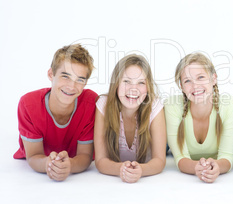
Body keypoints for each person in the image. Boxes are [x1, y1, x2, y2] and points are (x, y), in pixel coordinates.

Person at [14, 44, 97, 181]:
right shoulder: (28, 105)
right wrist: (48, 164)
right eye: (65, 76)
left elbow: (85, 156)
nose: (71, 86)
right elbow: (34, 156)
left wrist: (70, 165)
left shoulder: (90, 103)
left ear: (85, 83)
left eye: (79, 80)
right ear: (51, 74)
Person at [165, 52, 233, 183]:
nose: (195, 86)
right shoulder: (172, 106)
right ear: (181, 86)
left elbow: (227, 157)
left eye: (200, 77)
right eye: (188, 81)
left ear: (214, 78)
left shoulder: (228, 106)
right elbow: (181, 158)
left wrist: (217, 167)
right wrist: (197, 168)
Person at [94, 54, 166, 183]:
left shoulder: (154, 106)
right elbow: (100, 160)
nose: (133, 89)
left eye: (141, 82)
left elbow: (159, 160)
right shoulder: (103, 105)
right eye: (126, 81)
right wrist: (121, 169)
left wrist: (141, 170)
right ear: (116, 83)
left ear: (148, 87)